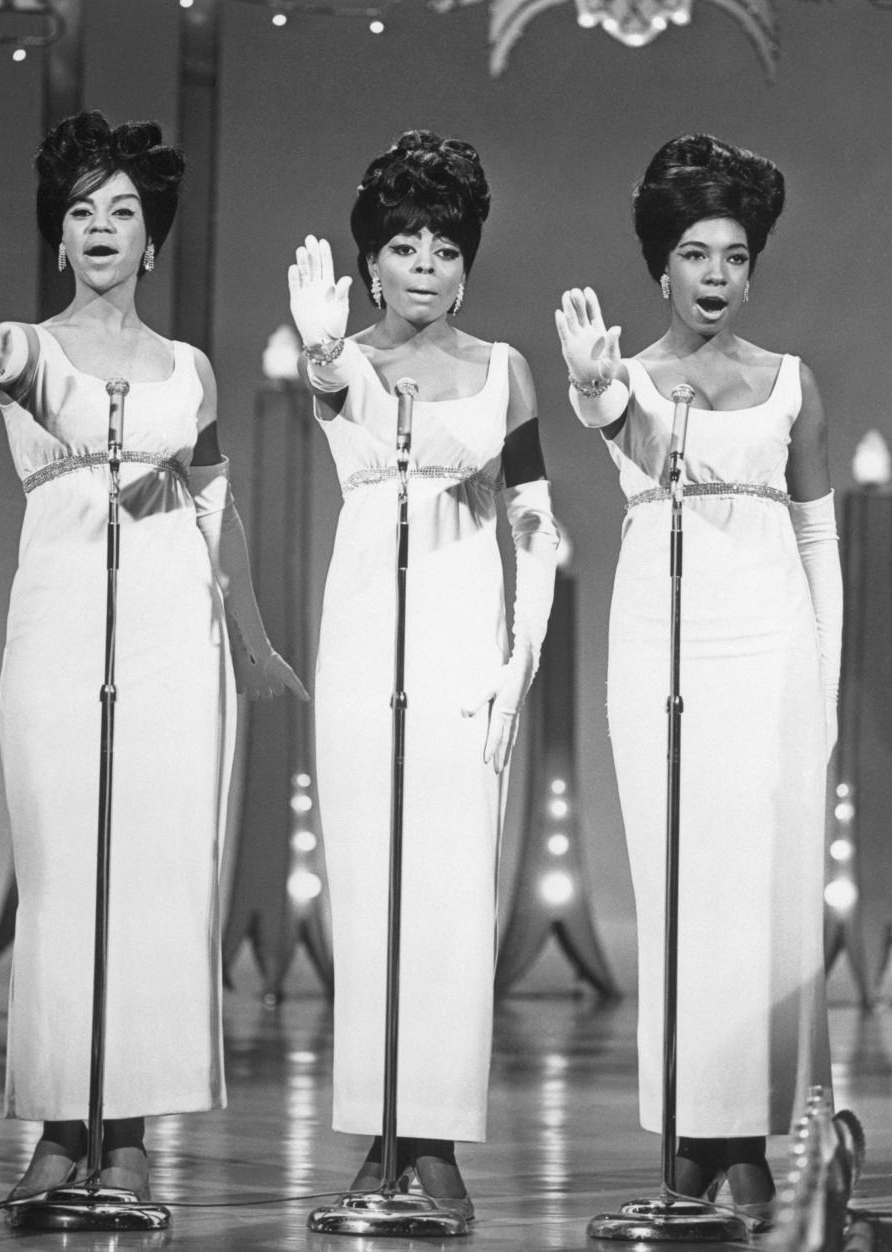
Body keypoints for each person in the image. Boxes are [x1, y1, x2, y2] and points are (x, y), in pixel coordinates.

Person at [0, 110, 307, 1202]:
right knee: (63, 882)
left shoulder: (187, 366)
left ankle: (132, 1133)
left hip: (170, 638)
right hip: (56, 625)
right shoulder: (26, 344)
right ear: (59, 239)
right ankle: (60, 1127)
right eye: (82, 212)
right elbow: (23, 380)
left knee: (153, 883)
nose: (102, 227)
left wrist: (247, 637)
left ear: (154, 241)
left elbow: (215, 497)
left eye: (125, 212)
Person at [555, 133, 840, 1224]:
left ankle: (751, 1141)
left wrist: (819, 684)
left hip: (772, 652)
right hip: (660, 653)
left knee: (765, 904)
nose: (715, 276)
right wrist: (596, 392)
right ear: (659, 267)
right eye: (694, 254)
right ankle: (690, 1138)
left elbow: (819, 543)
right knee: (680, 890)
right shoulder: (628, 379)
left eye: (733, 255)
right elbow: (617, 430)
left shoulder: (791, 386)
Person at [288, 130, 558, 1220]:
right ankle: (374, 1136)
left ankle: (434, 1141)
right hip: (359, 642)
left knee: (448, 896)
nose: (428, 265)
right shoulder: (341, 358)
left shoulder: (505, 370)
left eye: (446, 247)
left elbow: (535, 519)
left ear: (468, 264)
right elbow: (328, 392)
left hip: (462, 649)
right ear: (371, 264)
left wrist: (522, 648)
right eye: (406, 245)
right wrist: (319, 353)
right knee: (368, 892)